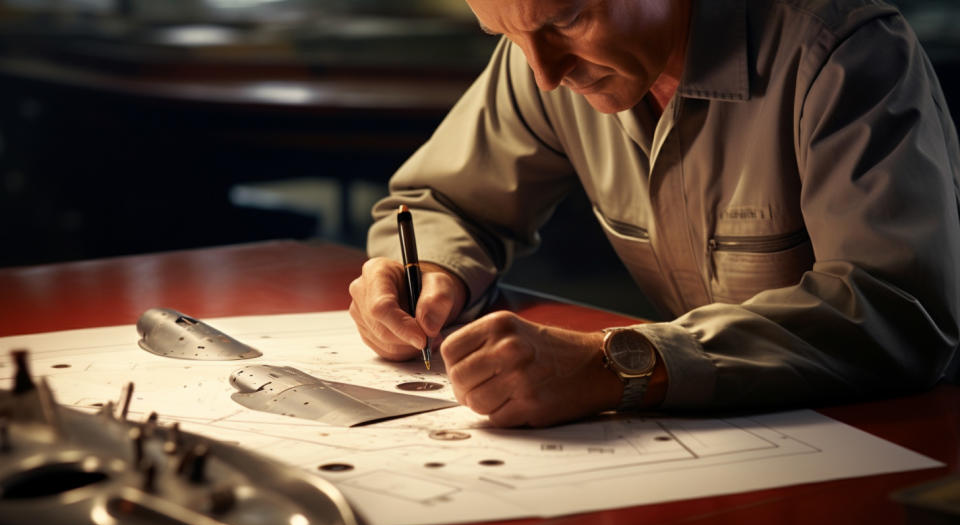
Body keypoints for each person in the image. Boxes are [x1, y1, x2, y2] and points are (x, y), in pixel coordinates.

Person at [348, 0, 960, 427]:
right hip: (732, 438)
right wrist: (429, 271)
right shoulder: (538, 57)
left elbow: (891, 309)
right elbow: (445, 203)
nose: (545, 73)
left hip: (900, 441)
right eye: (503, 34)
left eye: (568, 18)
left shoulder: (844, 52)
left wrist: (615, 363)